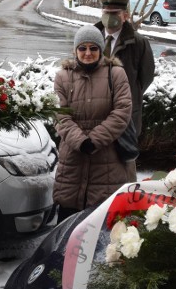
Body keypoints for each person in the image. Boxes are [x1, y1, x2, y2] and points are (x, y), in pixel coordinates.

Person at [53, 25, 132, 222]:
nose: (88, 53)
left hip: (107, 164)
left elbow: (122, 111)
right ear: (75, 50)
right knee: (66, 232)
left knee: (103, 232)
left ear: (100, 50)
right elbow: (59, 115)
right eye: (83, 48)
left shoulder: (116, 74)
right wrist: (80, 141)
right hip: (72, 163)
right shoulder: (63, 77)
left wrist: (94, 140)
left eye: (93, 48)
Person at [94, 0, 154, 177]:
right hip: (95, 112)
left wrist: (128, 96)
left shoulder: (138, 43)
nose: (109, 17)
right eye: (106, 12)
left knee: (124, 167)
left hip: (126, 116)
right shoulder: (91, 38)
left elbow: (146, 76)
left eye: (115, 13)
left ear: (125, 16)